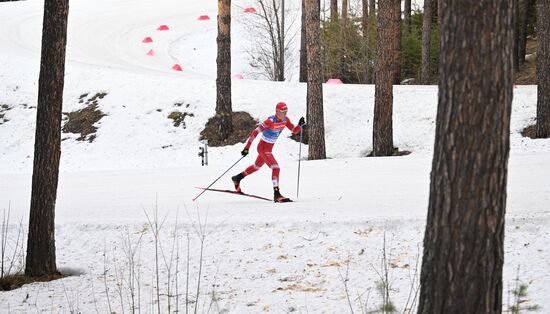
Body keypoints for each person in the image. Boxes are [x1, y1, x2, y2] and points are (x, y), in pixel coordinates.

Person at [231, 102, 306, 203]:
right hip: (263, 148)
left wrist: (299, 125)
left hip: (268, 149)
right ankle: (277, 194)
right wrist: (246, 148)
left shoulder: (285, 120)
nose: (285, 114)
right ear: (277, 111)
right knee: (276, 168)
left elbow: (294, 130)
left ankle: (237, 178)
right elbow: (255, 132)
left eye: (286, 111)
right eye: (283, 112)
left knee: (256, 167)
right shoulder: (270, 121)